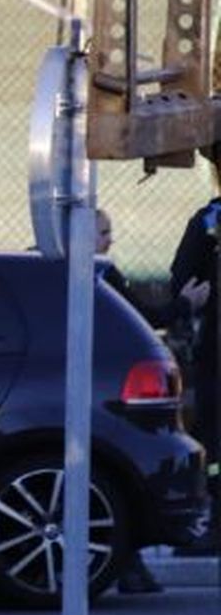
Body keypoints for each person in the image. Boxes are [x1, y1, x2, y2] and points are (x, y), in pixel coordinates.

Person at [96, 208, 208, 592]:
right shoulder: (98, 274)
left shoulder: (48, 266)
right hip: (104, 388)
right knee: (115, 468)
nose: (110, 239)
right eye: (103, 232)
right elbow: (143, 316)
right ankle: (129, 562)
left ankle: (129, 563)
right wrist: (187, 304)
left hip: (93, 386)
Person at [167, 191, 221, 554]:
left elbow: (181, 280)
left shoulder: (209, 221)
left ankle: (215, 524)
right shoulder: (209, 222)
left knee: (215, 441)